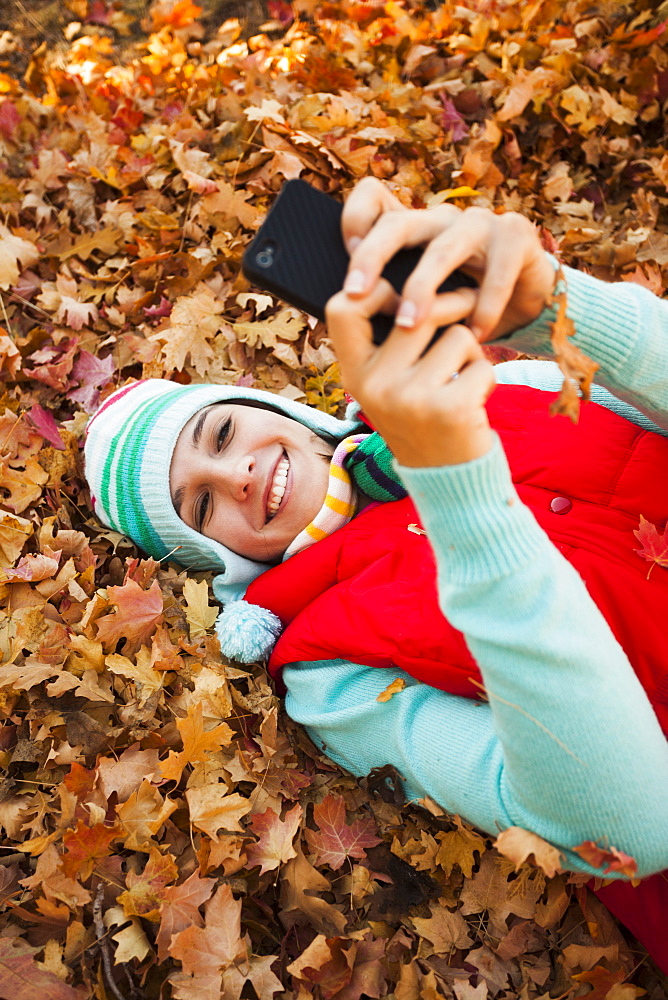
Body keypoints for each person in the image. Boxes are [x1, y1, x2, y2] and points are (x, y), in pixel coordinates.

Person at [84, 178, 668, 972]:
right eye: (200, 503)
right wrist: (453, 476)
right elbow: (624, 830)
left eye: (222, 432)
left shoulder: (497, 381)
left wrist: (557, 306)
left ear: (266, 406)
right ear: (210, 560)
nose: (240, 476)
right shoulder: (329, 677)